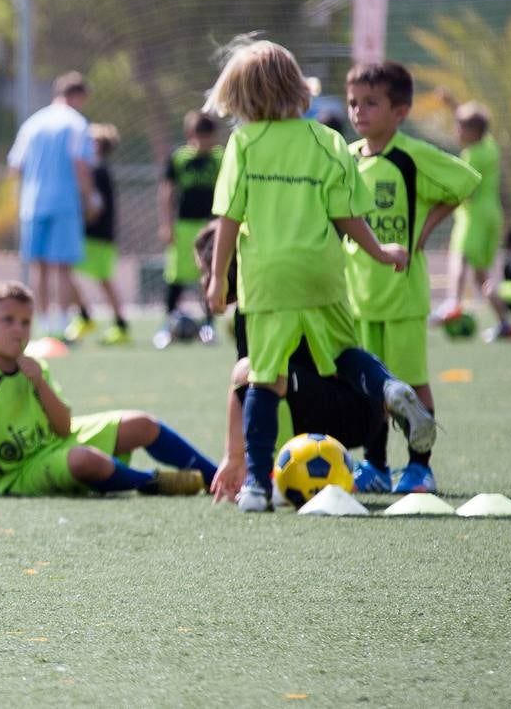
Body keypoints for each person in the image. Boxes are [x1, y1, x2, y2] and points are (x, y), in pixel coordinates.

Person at [203, 39, 429, 512]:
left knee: (264, 378)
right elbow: (346, 214)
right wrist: (379, 249)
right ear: (296, 88)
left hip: (267, 279)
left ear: (240, 98)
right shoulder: (328, 141)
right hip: (322, 272)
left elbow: (227, 217)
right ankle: (387, 385)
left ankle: (259, 487)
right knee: (345, 352)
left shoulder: (243, 143)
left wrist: (219, 277)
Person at [0, 281, 214, 499]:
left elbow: (64, 426)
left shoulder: (34, 364)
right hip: (21, 472)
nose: (19, 329)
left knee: (143, 424)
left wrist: (39, 382)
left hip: (57, 442)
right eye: (8, 320)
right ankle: (154, 482)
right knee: (84, 460)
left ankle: (219, 477)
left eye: (26, 322)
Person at [190, 221, 427, 504]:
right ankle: (379, 440)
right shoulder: (306, 282)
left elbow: (244, 379)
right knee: (275, 377)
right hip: (366, 411)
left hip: (338, 414)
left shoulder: (256, 305)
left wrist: (234, 456)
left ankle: (268, 478)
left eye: (207, 270)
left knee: (257, 374)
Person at [342, 61, 478, 494]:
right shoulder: (345, 159)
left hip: (402, 293)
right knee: (371, 390)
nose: (358, 112)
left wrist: (425, 228)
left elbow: (465, 183)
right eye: (353, 103)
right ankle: (376, 467)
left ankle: (421, 468)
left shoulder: (411, 156)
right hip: (358, 294)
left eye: (370, 103)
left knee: (412, 381)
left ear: (400, 111)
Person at [7, 72, 98, 338]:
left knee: (41, 267)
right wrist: (90, 198)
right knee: (63, 267)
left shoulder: (33, 123)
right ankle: (63, 324)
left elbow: (16, 166)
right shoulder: (76, 123)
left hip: (33, 203)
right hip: (64, 203)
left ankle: (45, 323)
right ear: (78, 96)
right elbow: (80, 164)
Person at [436, 102, 511, 340]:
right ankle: (505, 324)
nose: (456, 131)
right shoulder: (490, 147)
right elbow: (477, 121)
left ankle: (452, 303)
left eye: (460, 127)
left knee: (459, 257)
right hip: (492, 215)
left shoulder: (472, 155)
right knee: (483, 276)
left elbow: (464, 188)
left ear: (472, 131)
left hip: (475, 216)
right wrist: (451, 103)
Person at [156, 111, 222, 347]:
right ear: (190, 135)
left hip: (211, 226)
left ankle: (209, 326)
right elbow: (167, 192)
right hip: (184, 226)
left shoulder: (220, 158)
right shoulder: (179, 158)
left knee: (209, 275)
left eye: (208, 136)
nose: (203, 142)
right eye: (199, 136)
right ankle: (167, 325)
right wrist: (166, 224)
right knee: (176, 275)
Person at [65, 124, 129, 345]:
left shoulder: (97, 171)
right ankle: (85, 316)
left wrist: (80, 224)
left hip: (97, 237)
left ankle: (120, 326)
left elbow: (95, 209)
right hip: (94, 236)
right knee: (69, 274)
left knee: (102, 280)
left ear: (98, 145)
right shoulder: (94, 170)